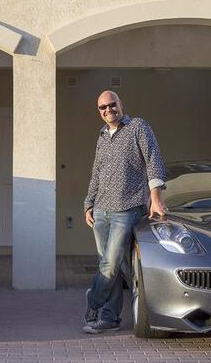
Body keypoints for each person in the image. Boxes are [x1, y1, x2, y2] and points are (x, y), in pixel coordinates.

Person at [82, 90, 166, 334]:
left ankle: (93, 302)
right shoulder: (101, 136)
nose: (108, 110)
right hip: (100, 211)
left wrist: (155, 198)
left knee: (109, 264)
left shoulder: (138, 126)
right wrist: (89, 203)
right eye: (102, 108)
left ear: (121, 104)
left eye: (112, 105)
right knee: (111, 266)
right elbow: (96, 172)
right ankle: (110, 318)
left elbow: (153, 159)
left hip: (127, 208)